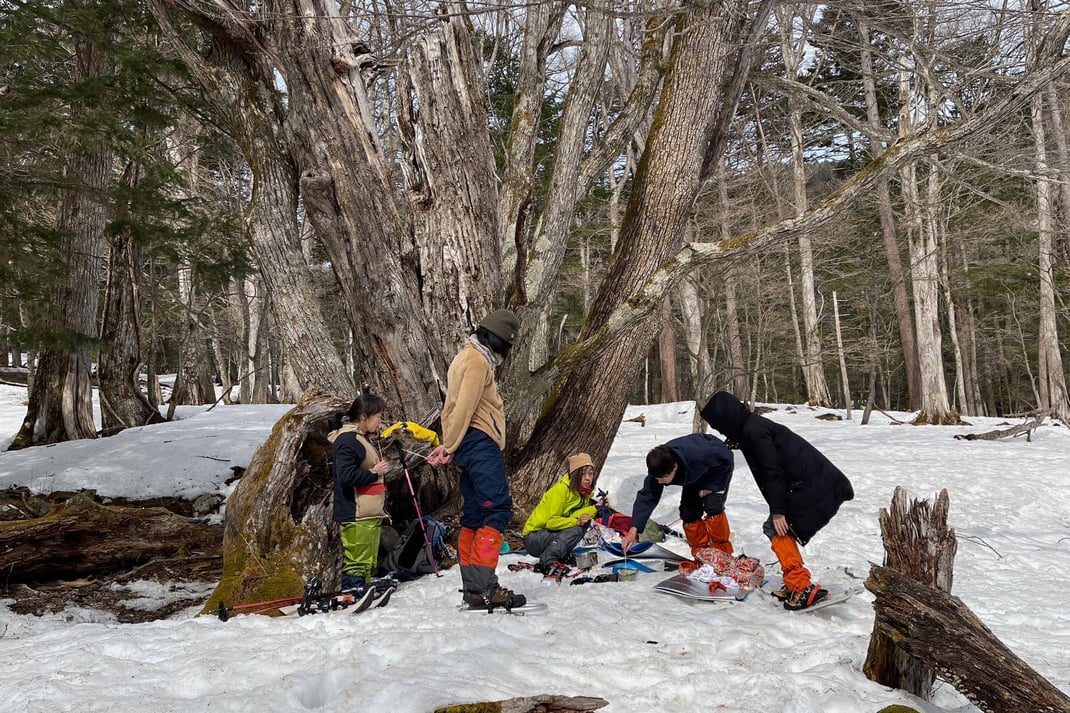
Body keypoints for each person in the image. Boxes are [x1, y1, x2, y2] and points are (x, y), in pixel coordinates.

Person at [700, 391, 855, 611]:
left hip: (813, 485)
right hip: (808, 482)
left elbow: (772, 471)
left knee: (776, 527)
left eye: (718, 425)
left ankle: (801, 587)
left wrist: (778, 511)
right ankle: (795, 583)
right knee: (777, 528)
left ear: (725, 419)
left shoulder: (755, 432)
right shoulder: (750, 428)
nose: (719, 430)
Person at [426, 309, 526, 610]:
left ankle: (473, 589)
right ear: (497, 339)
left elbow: (452, 407)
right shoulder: (478, 361)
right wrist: (449, 445)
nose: (505, 353)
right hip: (480, 441)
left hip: (469, 444)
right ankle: (486, 588)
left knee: (474, 515)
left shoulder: (463, 357)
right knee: (496, 509)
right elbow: (464, 408)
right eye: (506, 345)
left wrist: (451, 445)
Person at [620, 433, 735, 559]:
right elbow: (648, 496)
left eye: (663, 478)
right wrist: (634, 530)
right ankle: (701, 555)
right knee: (688, 513)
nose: (660, 482)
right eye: (657, 478)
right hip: (691, 474)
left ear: (674, 467)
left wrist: (712, 486)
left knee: (712, 506)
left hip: (717, 469)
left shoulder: (701, 453)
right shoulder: (659, 467)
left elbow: (727, 458)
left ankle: (722, 555)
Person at [329, 393, 390, 593]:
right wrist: (374, 472)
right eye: (378, 416)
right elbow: (345, 477)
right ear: (364, 416)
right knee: (356, 561)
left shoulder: (361, 439)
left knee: (366, 561)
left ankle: (363, 591)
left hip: (369, 512)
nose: (380, 421)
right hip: (356, 513)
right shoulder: (348, 440)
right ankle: (353, 593)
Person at [522, 453, 599, 575]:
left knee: (583, 524)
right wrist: (576, 521)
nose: (587, 478)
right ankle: (547, 560)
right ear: (574, 475)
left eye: (590, 473)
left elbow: (576, 514)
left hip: (547, 536)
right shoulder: (560, 490)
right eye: (583, 474)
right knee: (575, 528)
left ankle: (561, 555)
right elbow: (551, 522)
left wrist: (596, 508)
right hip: (533, 537)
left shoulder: (582, 493)